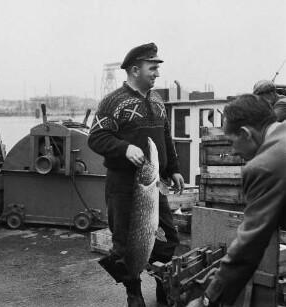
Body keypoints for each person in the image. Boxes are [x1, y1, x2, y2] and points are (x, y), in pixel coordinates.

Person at [88, 42, 185, 307]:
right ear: (134, 70)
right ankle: (133, 292)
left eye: (157, 69)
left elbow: (165, 137)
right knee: (124, 242)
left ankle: (163, 287)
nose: (156, 73)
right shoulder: (113, 102)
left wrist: (173, 169)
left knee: (168, 238)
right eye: (152, 68)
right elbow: (96, 137)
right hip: (122, 184)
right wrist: (123, 147)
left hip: (152, 183)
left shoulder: (157, 100)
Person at [187, 93, 286, 306]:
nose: (232, 151)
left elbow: (250, 245)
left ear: (246, 133)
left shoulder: (263, 166)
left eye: (232, 142)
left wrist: (208, 299)